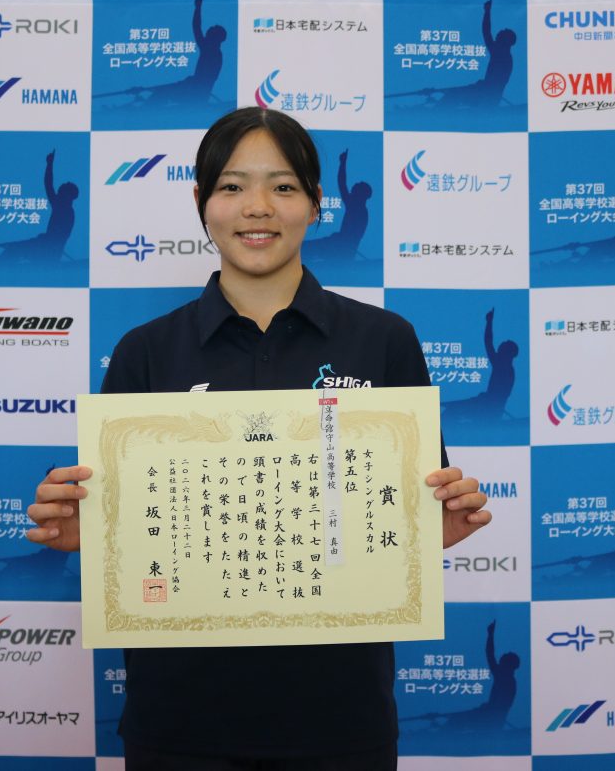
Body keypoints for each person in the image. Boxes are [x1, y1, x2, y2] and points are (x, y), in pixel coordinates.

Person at [27, 107, 491, 770]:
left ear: (315, 203)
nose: (257, 208)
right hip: (178, 722)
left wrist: (431, 528)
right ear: (201, 201)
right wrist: (92, 533)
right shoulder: (146, 352)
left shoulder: (384, 340)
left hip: (342, 719)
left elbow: (411, 516)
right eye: (232, 186)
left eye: (283, 186)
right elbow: (132, 529)